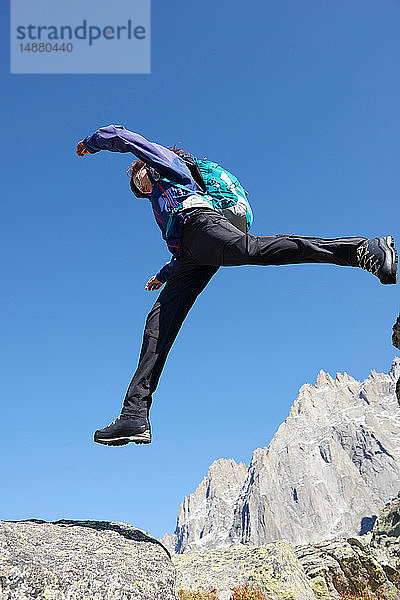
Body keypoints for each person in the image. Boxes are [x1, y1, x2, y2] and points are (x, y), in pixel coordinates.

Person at [76, 124, 398, 447]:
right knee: (158, 321)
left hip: (202, 223)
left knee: (255, 250)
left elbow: (127, 138)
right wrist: (162, 275)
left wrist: (93, 142)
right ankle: (134, 413)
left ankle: (361, 249)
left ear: (145, 167)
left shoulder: (165, 165)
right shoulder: (160, 201)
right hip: (190, 254)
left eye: (138, 179)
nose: (139, 186)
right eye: (137, 187)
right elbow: (180, 246)